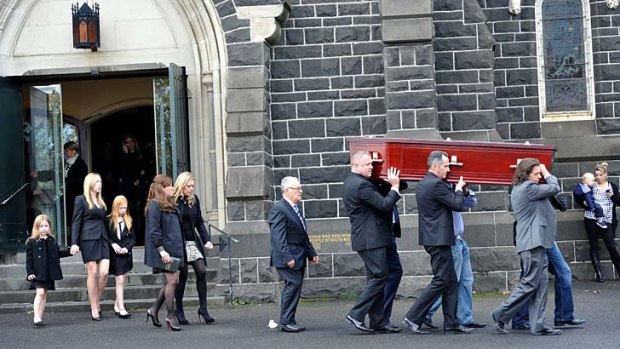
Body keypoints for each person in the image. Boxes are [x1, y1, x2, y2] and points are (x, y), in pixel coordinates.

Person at [402, 150, 472, 335]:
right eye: (445, 166)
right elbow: (457, 204)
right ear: (435, 166)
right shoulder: (436, 185)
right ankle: (413, 316)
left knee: (449, 281)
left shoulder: (424, 183)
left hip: (434, 238)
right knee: (442, 279)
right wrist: (458, 189)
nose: (448, 170)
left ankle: (451, 322)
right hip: (438, 240)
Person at [491, 158, 562, 336]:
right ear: (526, 174)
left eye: (540, 173)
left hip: (538, 242)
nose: (540, 177)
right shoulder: (528, 188)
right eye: (536, 174)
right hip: (532, 243)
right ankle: (500, 314)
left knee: (541, 285)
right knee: (530, 284)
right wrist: (547, 173)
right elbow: (554, 188)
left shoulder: (523, 188)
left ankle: (538, 324)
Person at [343, 150, 401, 333]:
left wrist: (390, 183)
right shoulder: (361, 185)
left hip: (375, 237)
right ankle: (356, 314)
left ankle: (378, 321)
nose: (372, 167)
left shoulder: (355, 182)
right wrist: (394, 187)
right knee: (380, 275)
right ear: (357, 165)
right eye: (368, 164)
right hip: (370, 239)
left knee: (379, 276)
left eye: (372, 164)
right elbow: (384, 204)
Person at [423, 184, 487, 329]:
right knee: (449, 282)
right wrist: (457, 190)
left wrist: (463, 190)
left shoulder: (454, 188)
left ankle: (465, 317)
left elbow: (471, 203)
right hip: (450, 241)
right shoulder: (441, 189)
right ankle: (423, 313)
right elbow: (456, 204)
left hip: (459, 240)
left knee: (465, 281)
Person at [268, 176, 319, 332]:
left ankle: (290, 318)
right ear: (287, 190)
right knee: (293, 285)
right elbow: (278, 236)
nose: (301, 191)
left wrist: (311, 252)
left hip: (299, 255)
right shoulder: (279, 208)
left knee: (295, 286)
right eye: (297, 188)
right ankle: (286, 320)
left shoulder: (296, 208)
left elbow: (302, 234)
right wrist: (287, 257)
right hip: (288, 257)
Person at [511, 242, 586, 329]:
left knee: (563, 272)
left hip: (546, 239)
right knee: (529, 278)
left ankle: (564, 315)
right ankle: (519, 319)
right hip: (532, 240)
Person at [172, 172, 215, 325]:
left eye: (192, 186)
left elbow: (199, 222)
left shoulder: (193, 200)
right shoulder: (173, 201)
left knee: (202, 271)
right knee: (182, 277)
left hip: (192, 241)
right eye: (189, 186)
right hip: (179, 243)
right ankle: (179, 310)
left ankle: (203, 309)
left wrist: (206, 240)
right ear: (181, 185)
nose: (191, 189)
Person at [369, 161, 406, 330]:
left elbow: (402, 185)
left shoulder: (382, 182)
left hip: (389, 232)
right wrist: (389, 182)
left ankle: (382, 317)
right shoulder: (370, 183)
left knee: (393, 271)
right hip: (379, 234)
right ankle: (379, 318)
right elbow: (385, 200)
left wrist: (393, 178)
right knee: (381, 275)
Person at [144, 174, 184, 332]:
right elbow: (154, 230)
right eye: (170, 186)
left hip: (175, 248)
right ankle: (170, 315)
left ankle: (153, 310)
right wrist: (161, 250)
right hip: (165, 250)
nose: (172, 188)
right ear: (162, 187)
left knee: (172, 281)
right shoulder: (155, 205)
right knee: (172, 281)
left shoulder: (170, 203)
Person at [70, 173, 109, 321]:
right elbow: (76, 221)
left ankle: (96, 300)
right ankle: (94, 306)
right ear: (90, 183)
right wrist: (74, 242)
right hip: (88, 239)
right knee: (92, 272)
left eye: (100, 181)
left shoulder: (102, 200)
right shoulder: (81, 200)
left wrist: (112, 241)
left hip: (103, 238)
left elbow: (105, 222)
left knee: (104, 272)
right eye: (97, 181)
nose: (100, 184)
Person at [25, 214, 71, 327]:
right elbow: (29, 260)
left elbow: (57, 254)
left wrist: (70, 251)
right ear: (36, 227)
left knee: (44, 294)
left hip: (48, 272)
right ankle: (36, 316)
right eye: (41, 226)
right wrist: (30, 272)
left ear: (49, 227)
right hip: (38, 272)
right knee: (40, 292)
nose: (44, 228)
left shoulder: (52, 240)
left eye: (46, 226)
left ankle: (40, 317)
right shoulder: (32, 242)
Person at [581, 162, 620, 282]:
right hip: (591, 218)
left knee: (611, 246)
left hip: (606, 220)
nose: (598, 177)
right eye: (596, 175)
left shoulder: (611, 186)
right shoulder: (591, 185)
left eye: (600, 175)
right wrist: (584, 203)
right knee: (593, 244)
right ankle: (598, 273)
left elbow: (619, 201)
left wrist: (612, 196)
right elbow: (579, 195)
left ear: (605, 175)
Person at [107, 195, 136, 319]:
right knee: (119, 280)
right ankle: (122, 307)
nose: (123, 210)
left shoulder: (128, 220)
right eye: (121, 208)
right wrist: (113, 244)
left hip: (126, 254)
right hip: (115, 255)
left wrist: (127, 248)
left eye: (125, 208)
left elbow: (133, 238)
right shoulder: (108, 220)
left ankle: (117, 305)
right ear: (116, 207)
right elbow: (107, 236)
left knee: (122, 279)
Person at [118, 135, 149, 245]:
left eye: (131, 141)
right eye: (127, 142)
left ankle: (141, 239)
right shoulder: (123, 157)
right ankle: (131, 238)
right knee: (129, 214)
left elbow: (145, 170)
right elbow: (125, 171)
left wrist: (139, 179)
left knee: (140, 214)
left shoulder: (141, 154)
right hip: (128, 191)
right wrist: (126, 155)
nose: (130, 144)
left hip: (140, 190)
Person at [63, 141, 88, 230]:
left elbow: (79, 181)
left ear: (73, 151)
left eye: (67, 151)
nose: (65, 153)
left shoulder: (81, 164)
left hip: (76, 196)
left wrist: (67, 182)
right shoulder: (65, 164)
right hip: (67, 196)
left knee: (75, 218)